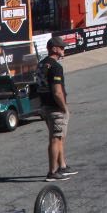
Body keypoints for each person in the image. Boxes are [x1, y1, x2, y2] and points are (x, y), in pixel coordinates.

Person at [36, 36, 79, 182]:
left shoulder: (41, 64)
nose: (64, 49)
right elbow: (57, 91)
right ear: (54, 49)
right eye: (61, 47)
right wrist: (64, 107)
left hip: (45, 106)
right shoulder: (55, 66)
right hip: (55, 107)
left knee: (59, 137)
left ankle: (62, 166)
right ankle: (52, 171)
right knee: (55, 138)